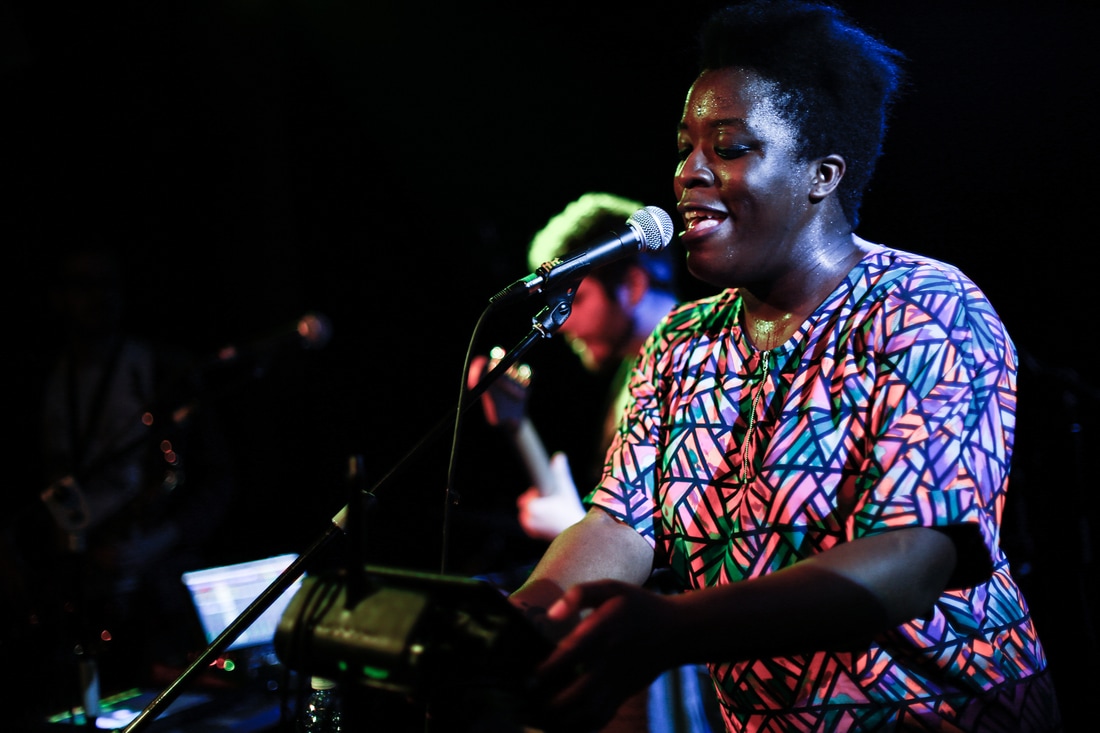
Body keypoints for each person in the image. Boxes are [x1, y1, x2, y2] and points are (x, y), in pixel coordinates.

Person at [507, 2, 1063, 732]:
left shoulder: (924, 305)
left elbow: (914, 555)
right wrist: (517, 627)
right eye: (684, 147)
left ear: (821, 174)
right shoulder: (682, 341)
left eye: (730, 147)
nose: (688, 172)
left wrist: (674, 627)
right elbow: (619, 523)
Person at [470, 193, 720, 732]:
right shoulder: (630, 379)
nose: (562, 323)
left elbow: (685, 545)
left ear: (632, 286)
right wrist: (516, 426)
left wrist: (573, 531)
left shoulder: (695, 370)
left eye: (575, 298)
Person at [15, 243, 238, 717]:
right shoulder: (41, 377)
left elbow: (216, 480)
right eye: (83, 285)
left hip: (153, 592)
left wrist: (160, 540)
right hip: (71, 591)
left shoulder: (164, 370)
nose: (99, 298)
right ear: (56, 297)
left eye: (108, 285)